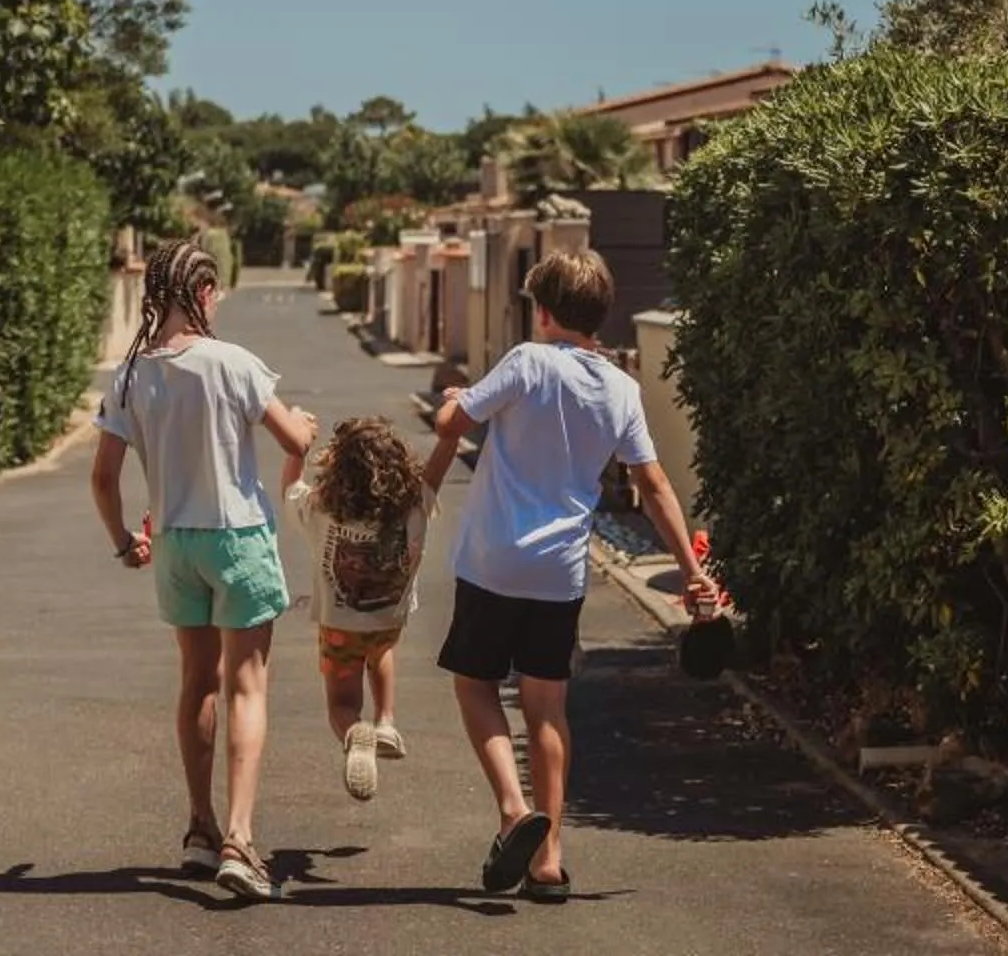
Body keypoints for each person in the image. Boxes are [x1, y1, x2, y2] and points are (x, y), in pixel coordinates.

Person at [426, 250, 717, 902]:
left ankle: (512, 810)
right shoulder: (619, 387)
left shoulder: (528, 361)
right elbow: (654, 484)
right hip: (560, 573)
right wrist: (691, 571)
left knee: (475, 687)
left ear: (545, 311)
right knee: (548, 708)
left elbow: (452, 423)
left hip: (493, 560)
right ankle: (549, 859)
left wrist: (455, 399)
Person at [91, 238, 318, 902]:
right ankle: (240, 841)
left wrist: (125, 541)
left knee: (198, 681)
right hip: (238, 540)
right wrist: (302, 423)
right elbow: (294, 440)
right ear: (205, 294)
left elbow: (103, 478)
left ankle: (199, 826)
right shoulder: (233, 363)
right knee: (247, 685)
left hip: (175, 543)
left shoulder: (132, 376)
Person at [278, 416, 435, 802]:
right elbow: (441, 463)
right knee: (380, 651)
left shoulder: (318, 507)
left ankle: (354, 732)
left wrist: (298, 443)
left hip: (339, 625)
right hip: (388, 620)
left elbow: (289, 488)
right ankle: (385, 721)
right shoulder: (417, 502)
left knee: (342, 702)